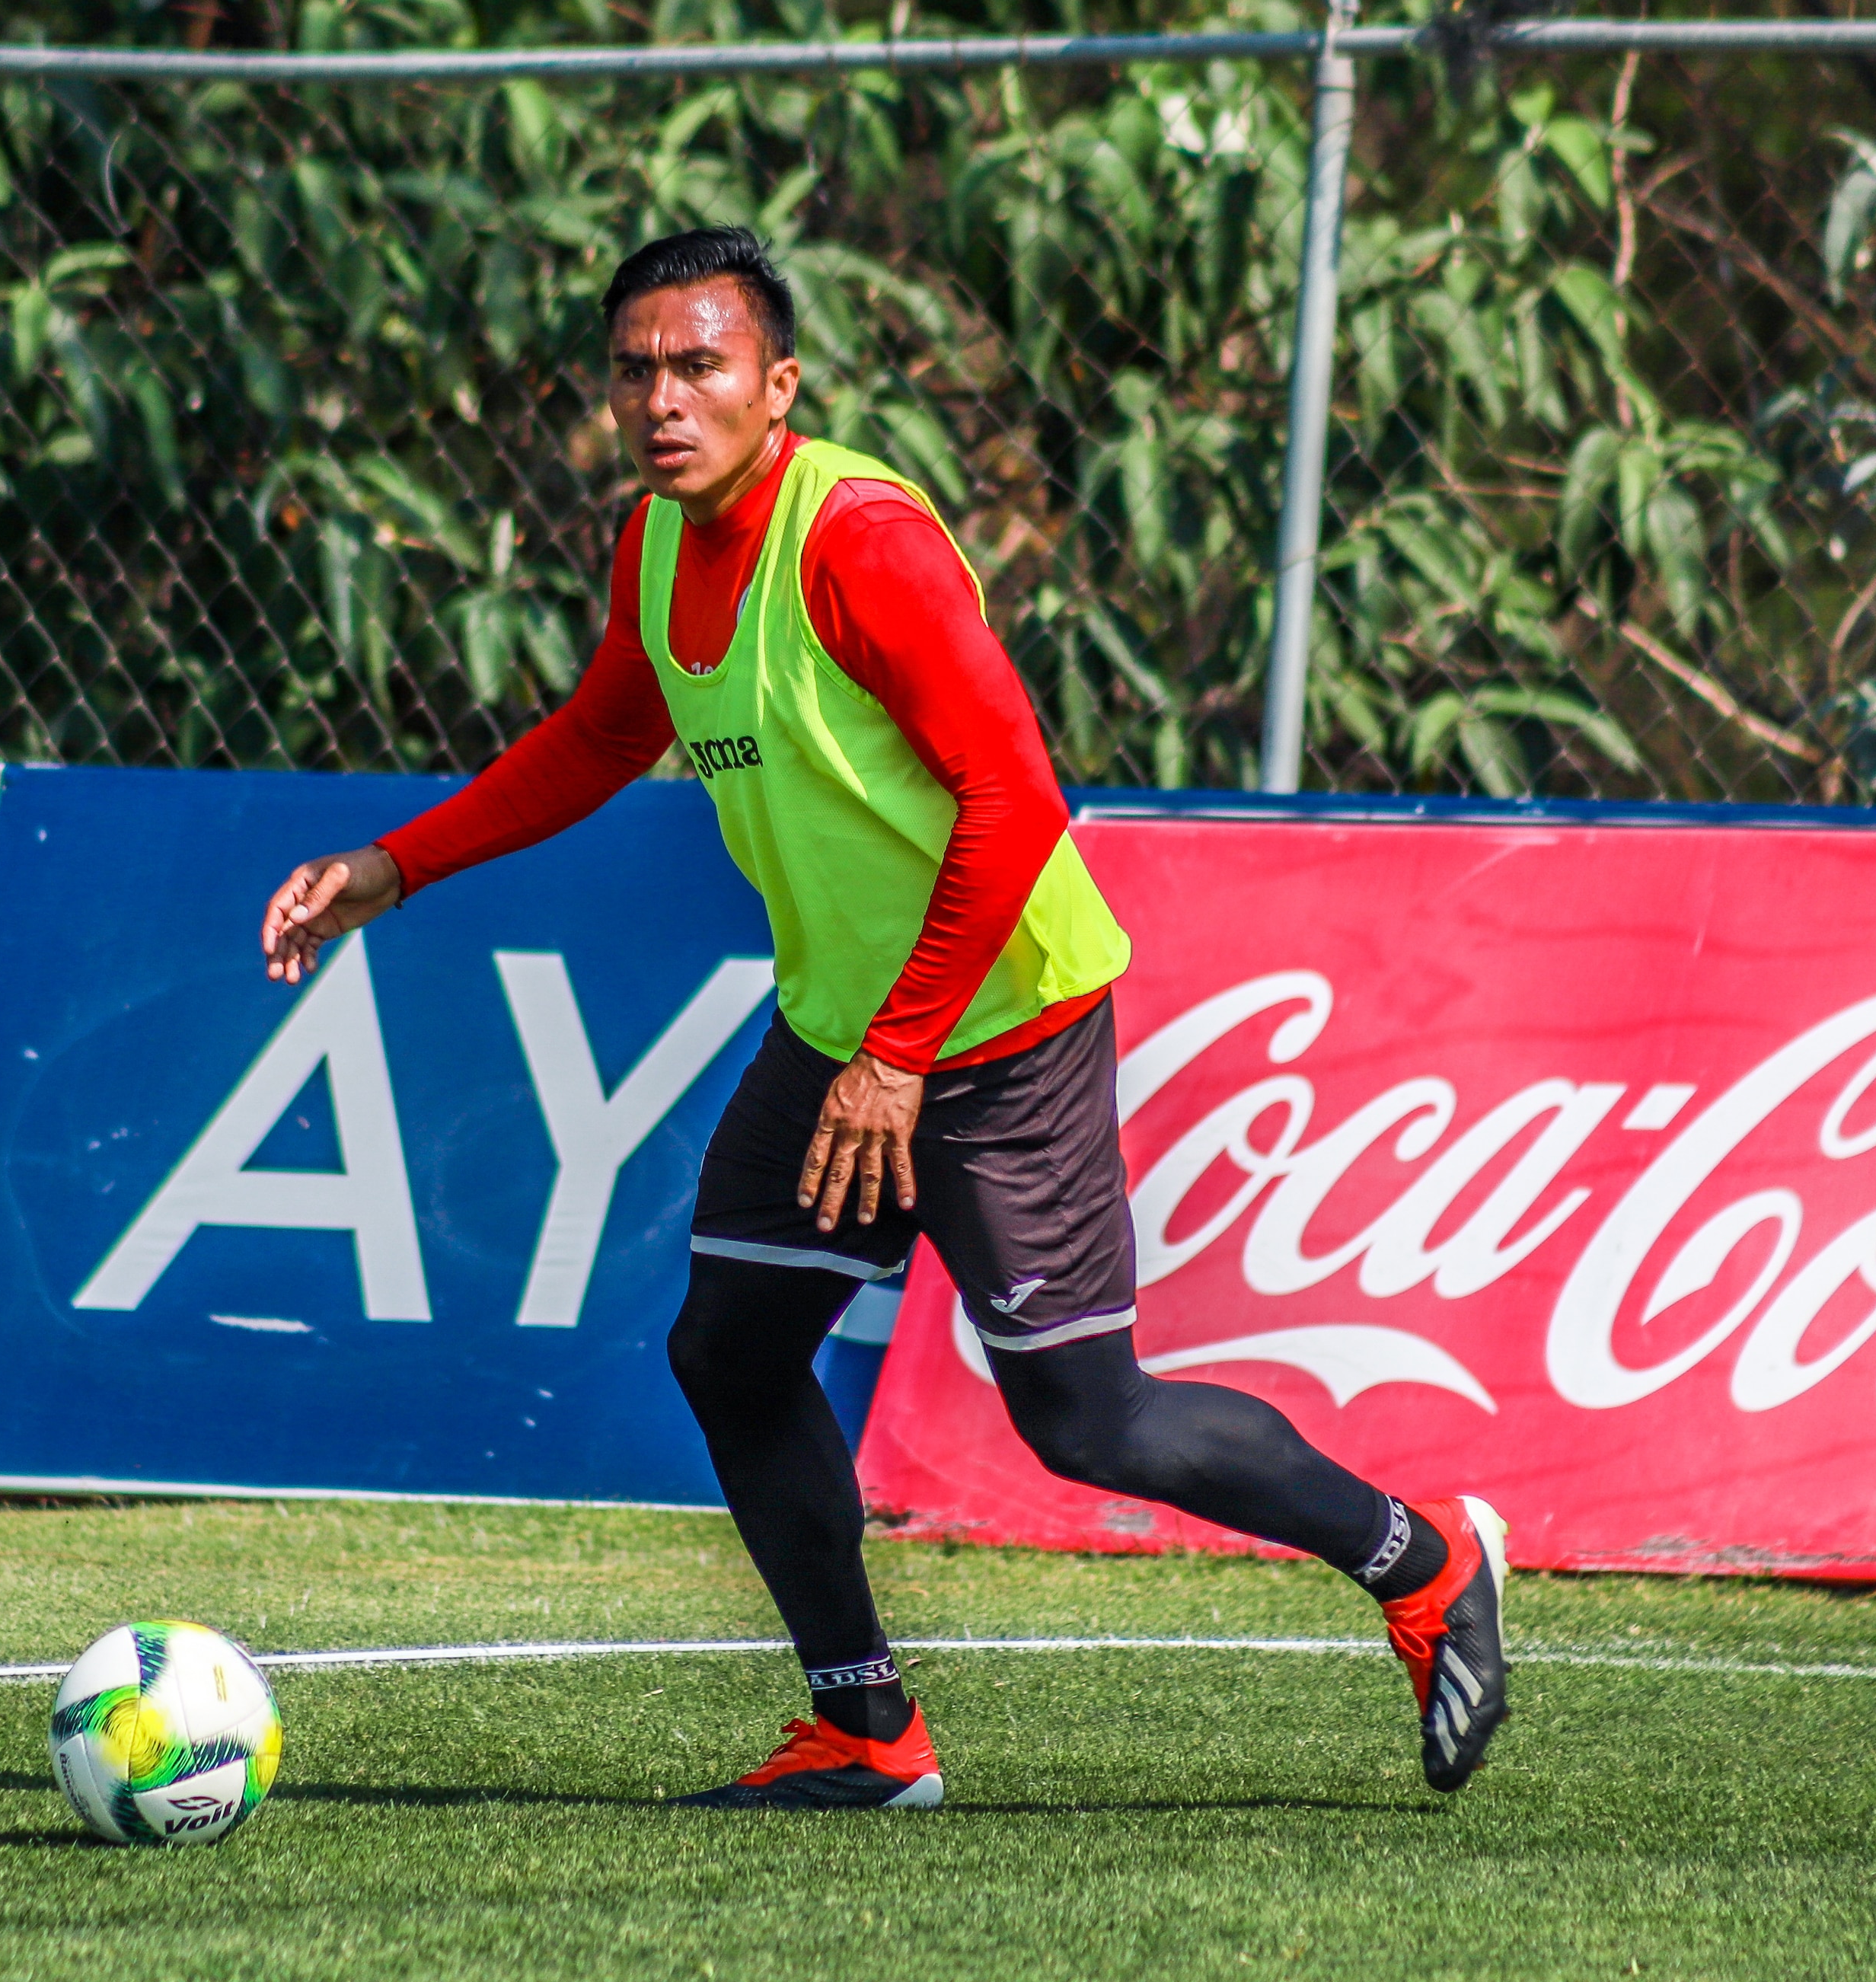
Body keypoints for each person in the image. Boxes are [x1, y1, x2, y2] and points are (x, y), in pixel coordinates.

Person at [257, 226, 1509, 1808]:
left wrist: (903, 1056)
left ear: (778, 384)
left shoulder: (857, 542)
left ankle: (1422, 1558)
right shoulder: (660, 543)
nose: (662, 398)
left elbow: (1018, 798)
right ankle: (864, 1726)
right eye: (635, 369)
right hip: (848, 1031)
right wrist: (392, 866)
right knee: (730, 1349)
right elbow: (599, 736)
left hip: (994, 1028)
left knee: (1090, 1419)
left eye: (699, 364)